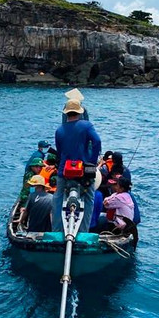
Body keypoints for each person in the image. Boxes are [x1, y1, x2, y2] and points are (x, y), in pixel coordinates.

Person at [53, 98, 101, 233]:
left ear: (66, 113)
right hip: (84, 168)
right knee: (89, 197)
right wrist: (91, 161)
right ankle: (84, 231)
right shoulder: (87, 125)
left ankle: (56, 230)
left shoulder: (59, 130)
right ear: (79, 113)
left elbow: (60, 152)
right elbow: (97, 141)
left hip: (65, 170)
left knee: (57, 198)